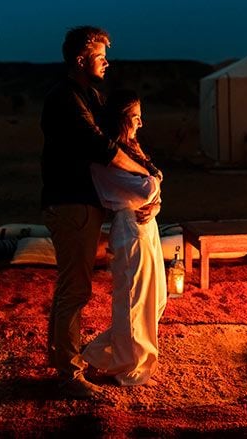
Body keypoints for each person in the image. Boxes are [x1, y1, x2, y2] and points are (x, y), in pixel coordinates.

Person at [40, 26, 150, 399]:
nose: (107, 62)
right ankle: (69, 374)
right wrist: (146, 175)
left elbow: (116, 139)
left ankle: (60, 360)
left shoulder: (89, 95)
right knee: (75, 289)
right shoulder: (66, 98)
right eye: (101, 57)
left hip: (81, 203)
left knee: (71, 287)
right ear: (80, 60)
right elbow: (101, 148)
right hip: (69, 203)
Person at [82, 89, 167, 386]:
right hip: (130, 228)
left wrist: (153, 189)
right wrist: (153, 183)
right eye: (135, 118)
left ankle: (96, 354)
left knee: (156, 300)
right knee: (134, 302)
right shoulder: (105, 159)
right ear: (120, 120)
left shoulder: (131, 151)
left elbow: (151, 187)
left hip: (147, 226)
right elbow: (146, 189)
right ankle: (128, 369)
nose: (140, 124)